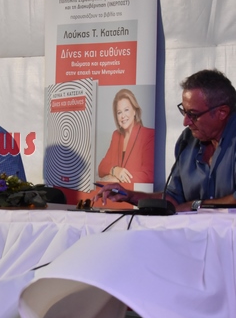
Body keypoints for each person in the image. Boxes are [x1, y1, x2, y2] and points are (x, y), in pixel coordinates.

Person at [98, 69, 236, 212]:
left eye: (193, 114)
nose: (186, 122)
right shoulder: (187, 139)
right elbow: (173, 200)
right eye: (184, 112)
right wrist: (130, 195)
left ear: (222, 112)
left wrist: (194, 205)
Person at [97, 89, 155, 184]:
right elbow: (101, 168)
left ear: (134, 111)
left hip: (135, 192)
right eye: (119, 112)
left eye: (126, 110)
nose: (123, 116)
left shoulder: (148, 135)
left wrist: (118, 180)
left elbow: (149, 175)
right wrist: (115, 170)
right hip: (114, 193)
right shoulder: (116, 135)